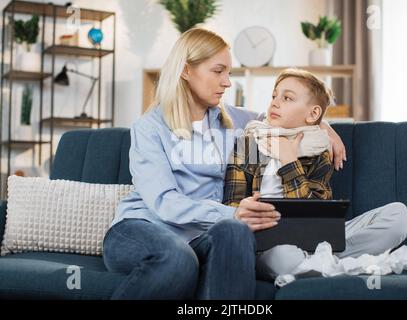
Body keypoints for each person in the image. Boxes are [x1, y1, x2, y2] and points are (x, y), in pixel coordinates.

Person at [102, 28, 347, 300]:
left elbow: (284, 115)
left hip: (202, 235)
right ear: (185, 71)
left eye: (229, 73)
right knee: (180, 258)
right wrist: (232, 214)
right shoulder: (149, 128)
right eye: (218, 71)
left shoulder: (235, 120)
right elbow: (164, 203)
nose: (227, 82)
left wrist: (324, 125)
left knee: (235, 232)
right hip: (143, 228)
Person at [223, 68, 407, 281]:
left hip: (314, 241)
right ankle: (332, 264)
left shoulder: (319, 149)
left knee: (399, 215)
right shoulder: (247, 144)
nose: (274, 103)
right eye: (274, 96)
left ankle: (317, 263)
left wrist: (289, 161)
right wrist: (247, 211)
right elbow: (232, 209)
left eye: (287, 98)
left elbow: (309, 215)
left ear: (313, 114)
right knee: (283, 257)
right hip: (268, 244)